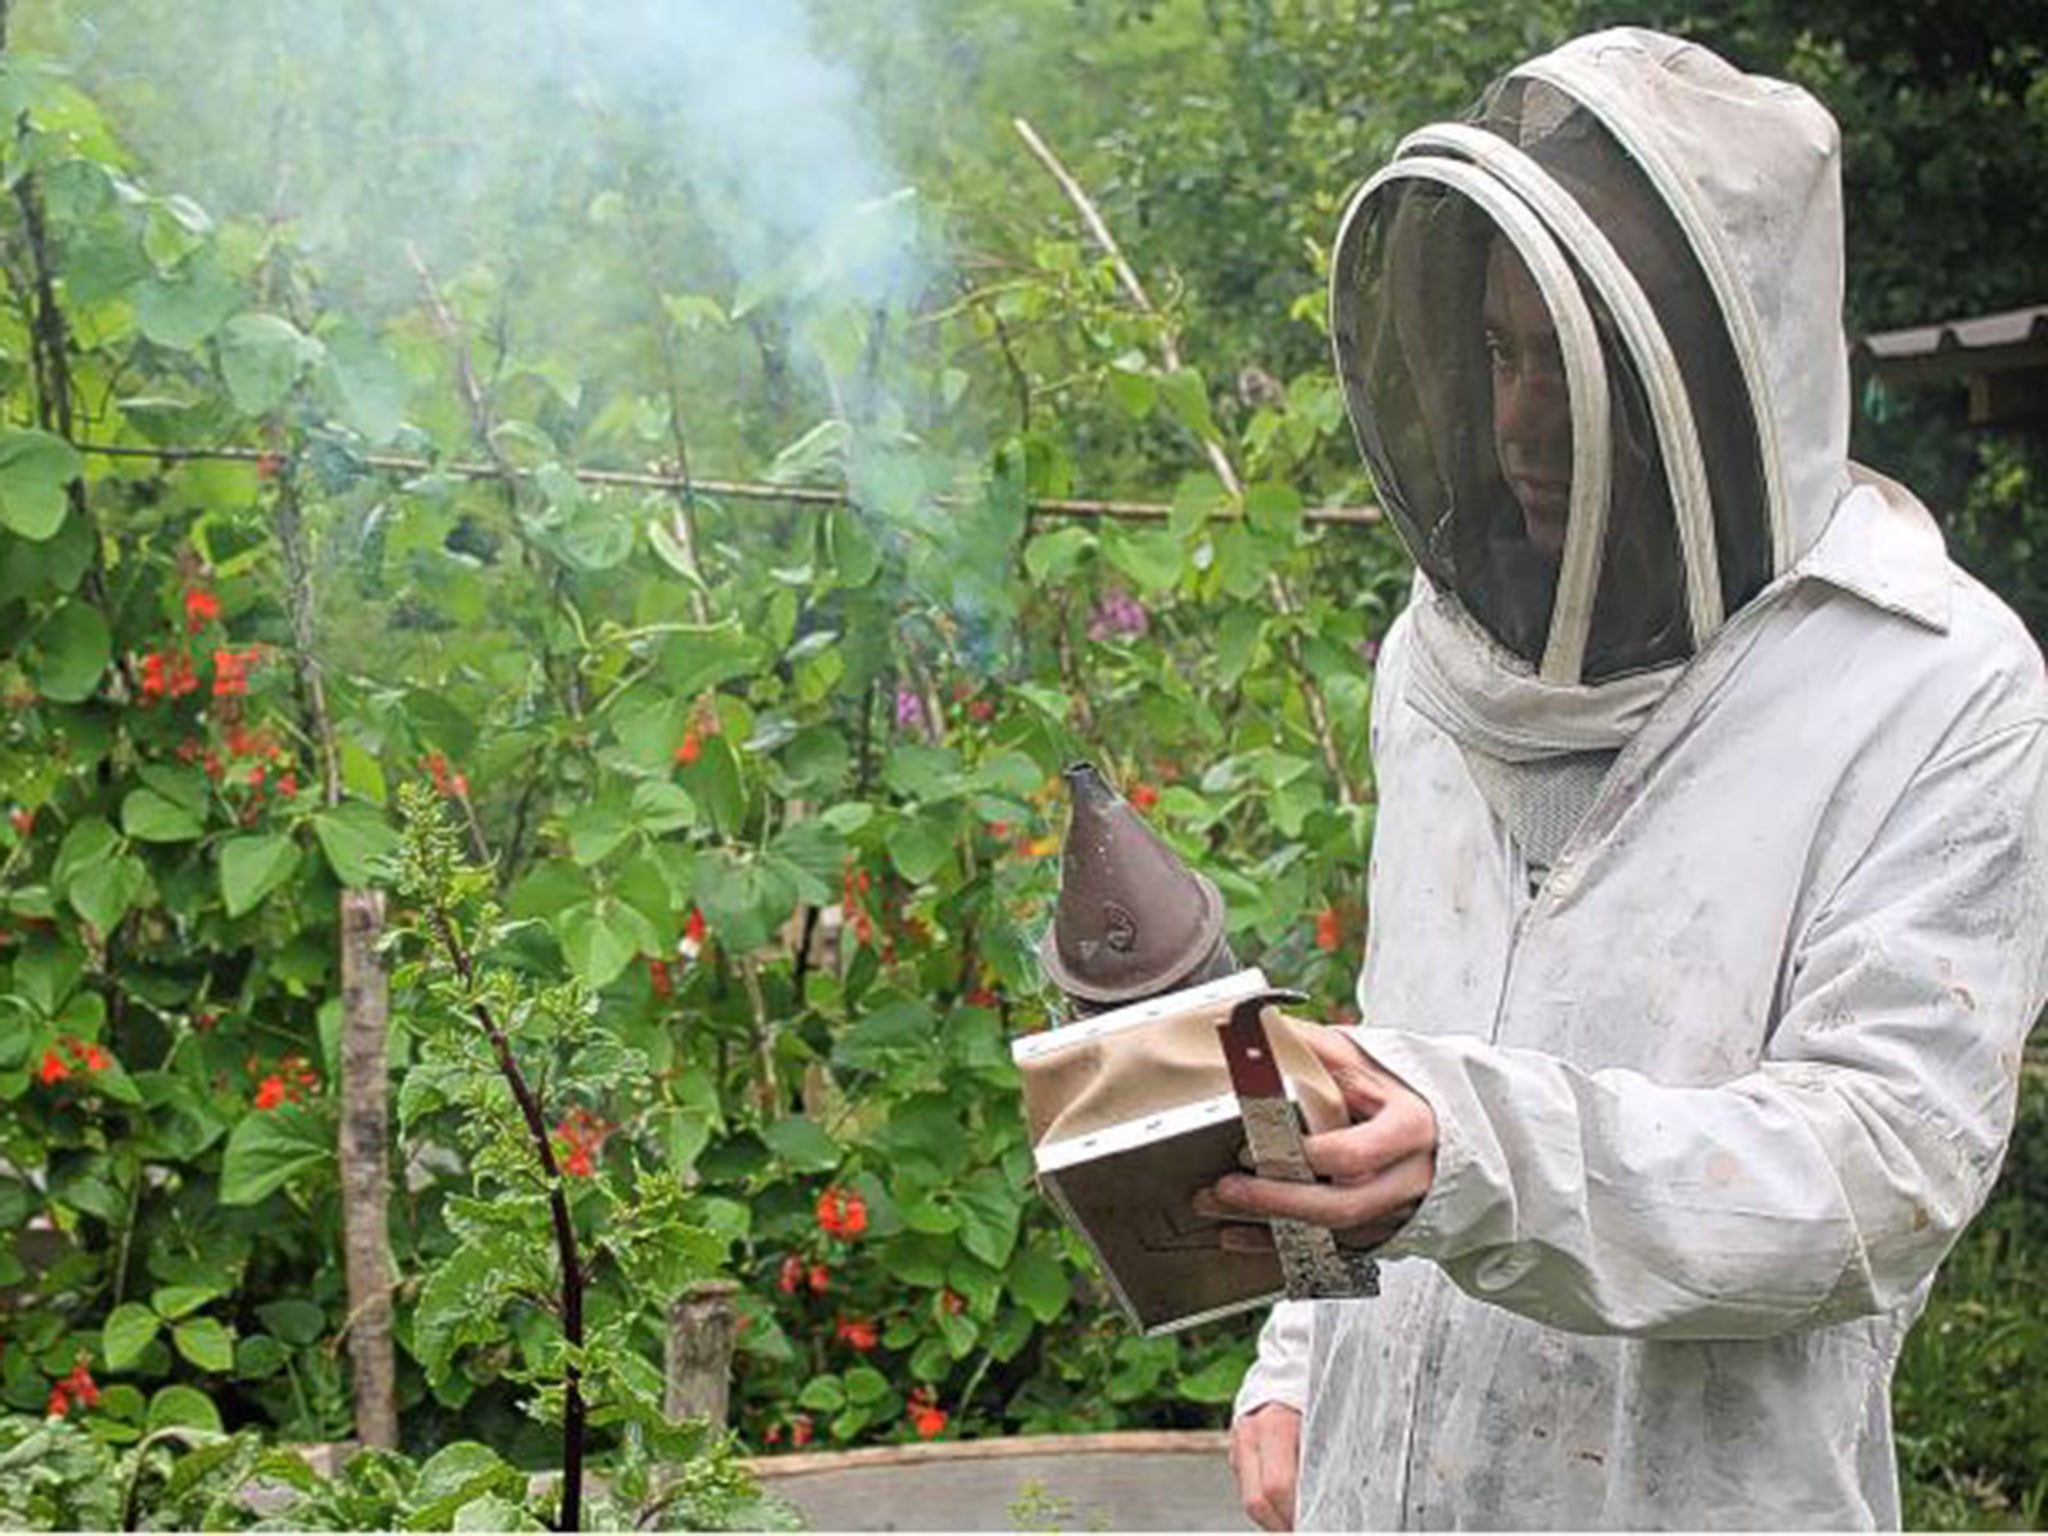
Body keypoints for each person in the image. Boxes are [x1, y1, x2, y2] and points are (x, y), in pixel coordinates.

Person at [1202, 27, 2048, 1530]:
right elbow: (1417, 1028)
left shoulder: (1934, 688)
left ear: (1719, 375)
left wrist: (1476, 1157)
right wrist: (1297, 1347)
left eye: (1572, 361)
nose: (1523, 417)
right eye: (1498, 353)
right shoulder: (1447, 653)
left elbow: (1881, 1171)